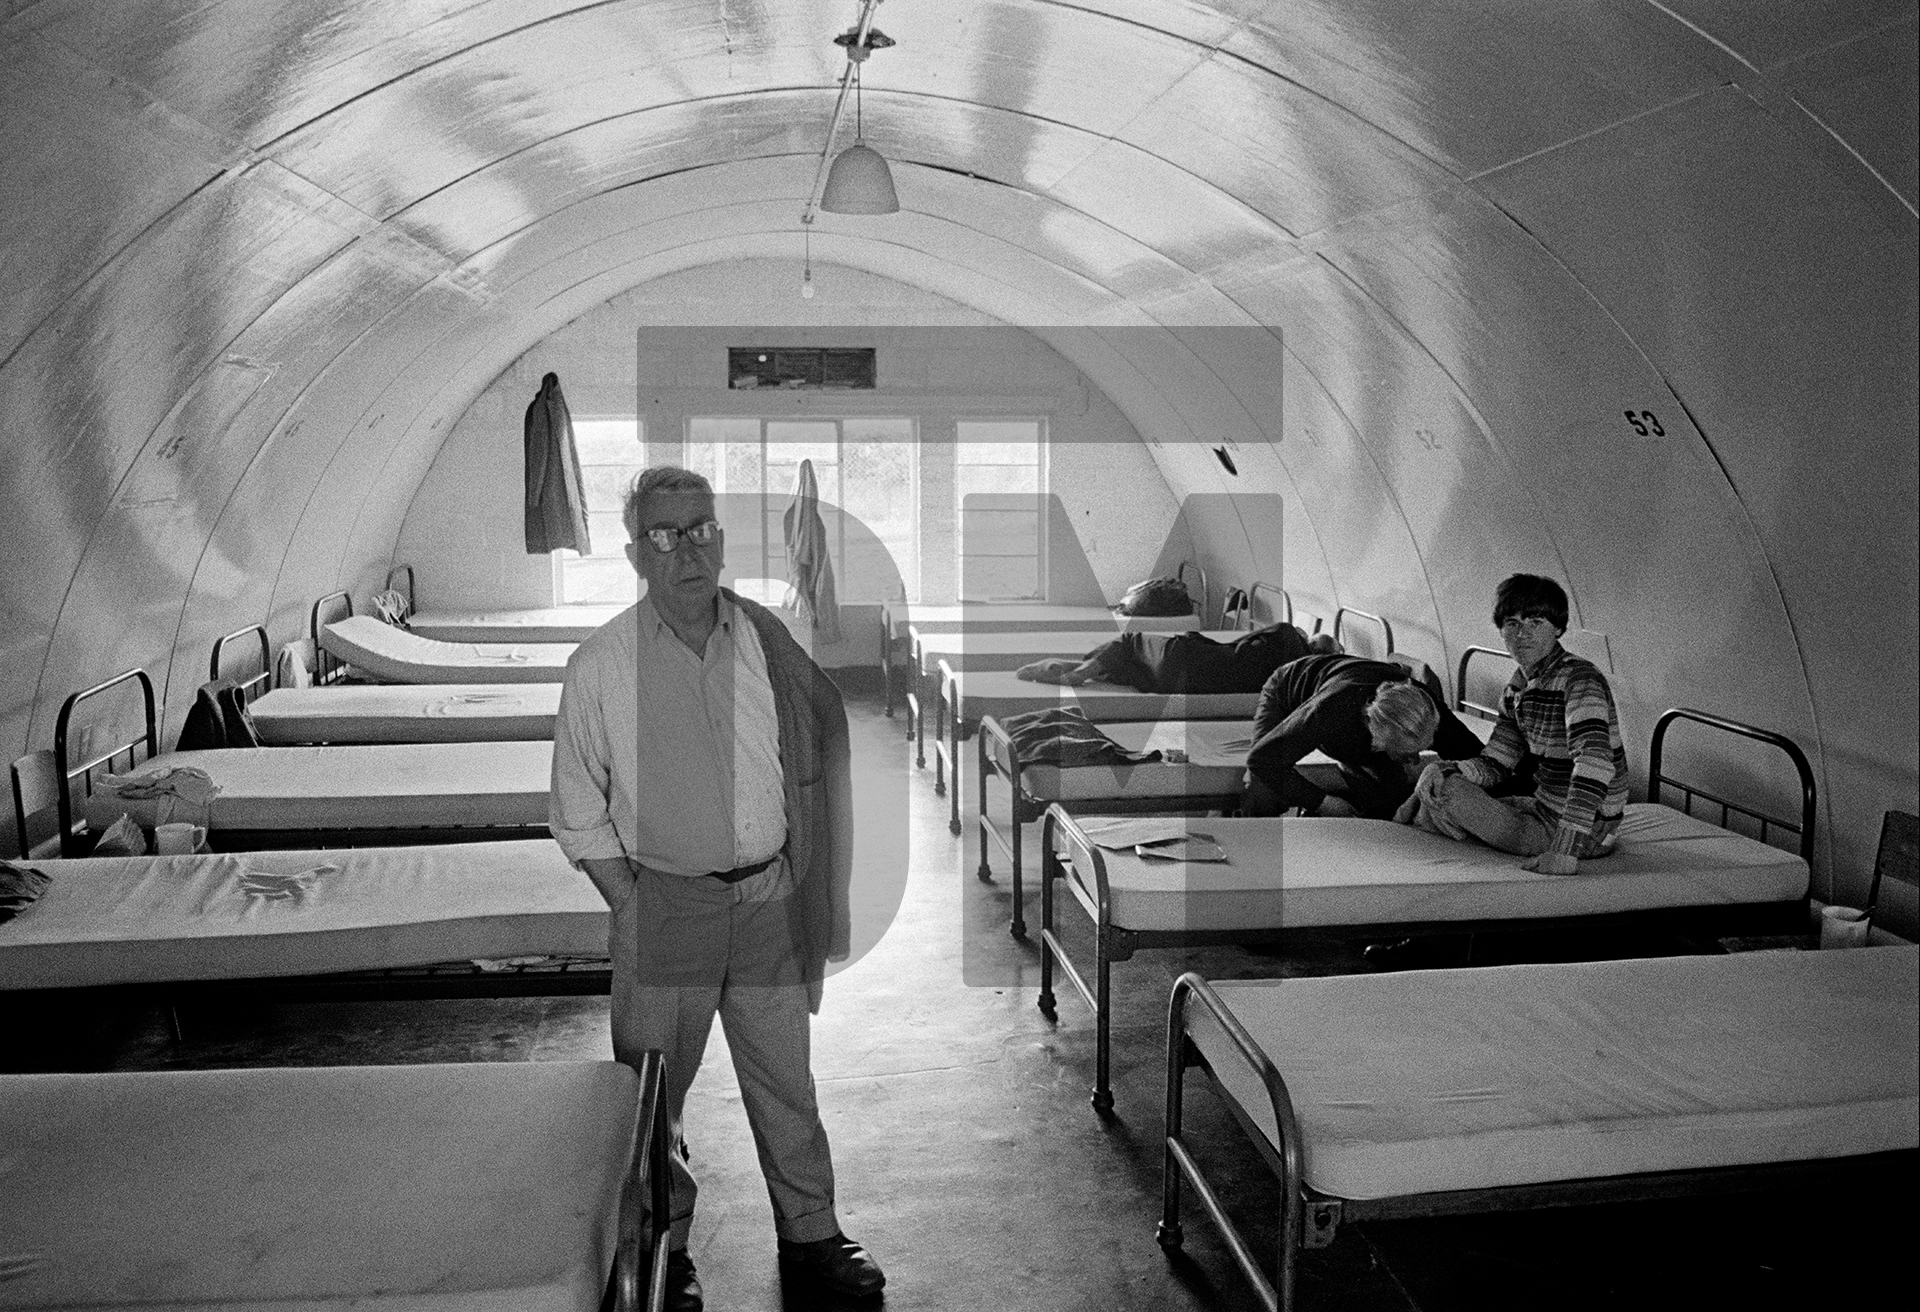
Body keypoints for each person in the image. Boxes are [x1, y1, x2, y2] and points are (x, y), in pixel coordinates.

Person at [548, 467, 884, 1310]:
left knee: (786, 1081)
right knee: (655, 1096)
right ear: (636, 554)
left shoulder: (765, 643)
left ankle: (813, 1236)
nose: (686, 549)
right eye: (663, 536)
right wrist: (630, 900)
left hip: (768, 900)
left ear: (721, 541)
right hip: (667, 907)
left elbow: (818, 746)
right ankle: (668, 1250)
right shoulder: (601, 667)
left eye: (700, 529)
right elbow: (576, 806)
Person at [1396, 574, 1628, 874]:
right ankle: (1427, 812)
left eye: (1535, 623)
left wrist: (1564, 853)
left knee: (1446, 796)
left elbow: (1595, 762)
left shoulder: (1579, 680)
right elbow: (1496, 763)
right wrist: (1444, 768)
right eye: (1512, 623)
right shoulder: (1517, 690)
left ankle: (1421, 820)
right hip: (1544, 808)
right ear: (1501, 630)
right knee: (1441, 782)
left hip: (1584, 832)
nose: (1522, 634)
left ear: (1557, 628)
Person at [1242, 653, 1485, 818]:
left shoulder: (1428, 712)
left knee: (1391, 798)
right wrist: (1323, 802)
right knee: (1262, 787)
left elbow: (1481, 759)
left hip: (1357, 690)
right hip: (1289, 688)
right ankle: (1255, 857)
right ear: (1377, 735)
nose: (1415, 760)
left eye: (1422, 749)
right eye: (1408, 752)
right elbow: (1262, 759)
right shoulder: (1331, 712)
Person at [1017, 622, 1338, 691]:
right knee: (1132, 665)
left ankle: (1080, 671)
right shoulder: (1299, 679)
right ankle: (1085, 667)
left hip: (1187, 659)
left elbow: (1241, 643)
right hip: (1183, 686)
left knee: (1129, 641)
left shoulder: (1284, 634)